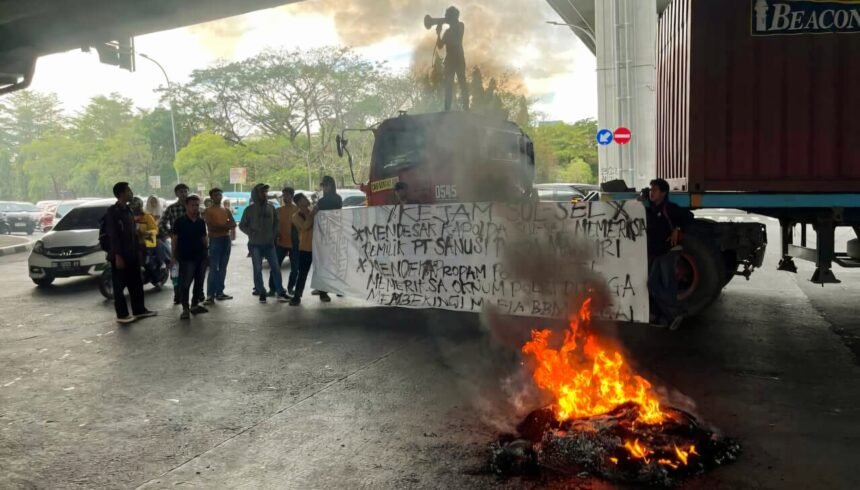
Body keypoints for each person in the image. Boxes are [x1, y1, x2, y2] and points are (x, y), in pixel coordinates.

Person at [640, 178, 694, 330]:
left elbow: (688, 217)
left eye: (655, 190)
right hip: (658, 253)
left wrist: (677, 228)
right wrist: (642, 197)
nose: (652, 193)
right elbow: (646, 197)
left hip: (668, 253)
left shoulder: (669, 208)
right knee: (652, 284)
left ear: (663, 193)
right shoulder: (653, 208)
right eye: (651, 190)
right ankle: (671, 315)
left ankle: (674, 315)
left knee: (667, 285)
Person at [104, 182, 157, 324]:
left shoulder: (127, 210)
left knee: (136, 283)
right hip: (120, 255)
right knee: (119, 287)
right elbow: (113, 235)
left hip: (133, 253)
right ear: (121, 193)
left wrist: (140, 238)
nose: (131, 192)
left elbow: (131, 232)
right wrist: (118, 256)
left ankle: (139, 310)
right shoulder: (113, 212)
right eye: (128, 190)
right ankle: (122, 315)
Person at [240, 183, 289, 303]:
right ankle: (261, 291)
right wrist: (250, 232)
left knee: (276, 268)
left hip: (269, 244)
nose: (265, 194)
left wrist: (273, 234)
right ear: (256, 194)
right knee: (257, 269)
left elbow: (276, 222)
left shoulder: (271, 208)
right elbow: (242, 225)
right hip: (255, 244)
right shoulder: (249, 209)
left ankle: (280, 291)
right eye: (263, 192)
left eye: (266, 192)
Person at [171, 195, 209, 320]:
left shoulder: (200, 221)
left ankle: (194, 305)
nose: (195, 208)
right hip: (186, 258)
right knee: (185, 283)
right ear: (186, 206)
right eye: (192, 205)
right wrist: (173, 256)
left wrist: (207, 253)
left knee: (199, 282)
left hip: (201, 256)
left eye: (197, 205)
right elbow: (174, 240)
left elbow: (204, 238)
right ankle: (185, 308)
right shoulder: (179, 221)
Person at [159, 183, 192, 305]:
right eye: (180, 192)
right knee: (175, 269)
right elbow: (161, 224)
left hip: (193, 243)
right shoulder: (171, 208)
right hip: (177, 243)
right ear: (176, 194)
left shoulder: (193, 206)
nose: (183, 194)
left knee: (192, 269)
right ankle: (177, 294)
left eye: (185, 191)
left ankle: (196, 295)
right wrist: (170, 234)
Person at [203, 188, 236, 305]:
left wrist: (223, 226)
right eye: (216, 195)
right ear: (211, 197)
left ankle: (220, 292)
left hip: (226, 240)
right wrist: (226, 226)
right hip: (215, 240)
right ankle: (210, 295)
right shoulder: (208, 211)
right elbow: (212, 226)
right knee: (213, 268)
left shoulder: (226, 210)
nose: (218, 197)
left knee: (223, 267)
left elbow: (234, 223)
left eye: (220, 195)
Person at [312, 176, 343, 303]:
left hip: (333, 234)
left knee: (335, 262)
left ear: (332, 185)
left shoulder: (333, 199)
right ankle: (323, 291)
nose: (325, 187)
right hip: (323, 235)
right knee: (324, 262)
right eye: (323, 185)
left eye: (327, 185)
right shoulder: (322, 200)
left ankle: (336, 288)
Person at [436, 6, 468, 111]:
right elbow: (440, 46)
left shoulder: (460, 26)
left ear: (453, 17)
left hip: (458, 59)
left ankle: (466, 107)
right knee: (448, 85)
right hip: (450, 60)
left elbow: (456, 37)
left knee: (462, 82)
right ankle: (447, 108)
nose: (445, 18)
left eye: (447, 16)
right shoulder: (447, 31)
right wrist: (438, 33)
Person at [290, 193, 317, 306]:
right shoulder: (296, 216)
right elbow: (305, 226)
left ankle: (323, 292)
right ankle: (297, 296)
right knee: (303, 274)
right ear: (299, 202)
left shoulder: (311, 211)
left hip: (317, 248)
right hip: (306, 248)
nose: (307, 200)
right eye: (304, 199)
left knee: (321, 271)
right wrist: (313, 214)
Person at [272, 187, 299, 296]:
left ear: (292, 196)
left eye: (287, 195)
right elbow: (274, 227)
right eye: (283, 195)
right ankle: (272, 288)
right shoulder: (279, 210)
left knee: (295, 268)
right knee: (275, 267)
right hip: (281, 243)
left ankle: (290, 288)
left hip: (295, 244)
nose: (284, 197)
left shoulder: (297, 210)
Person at [130, 197, 160, 279]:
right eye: (132, 207)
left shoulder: (147, 216)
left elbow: (155, 229)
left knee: (147, 263)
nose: (134, 210)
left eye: (135, 207)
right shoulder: (129, 217)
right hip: (134, 244)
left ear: (140, 206)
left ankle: (156, 279)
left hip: (147, 243)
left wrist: (147, 233)